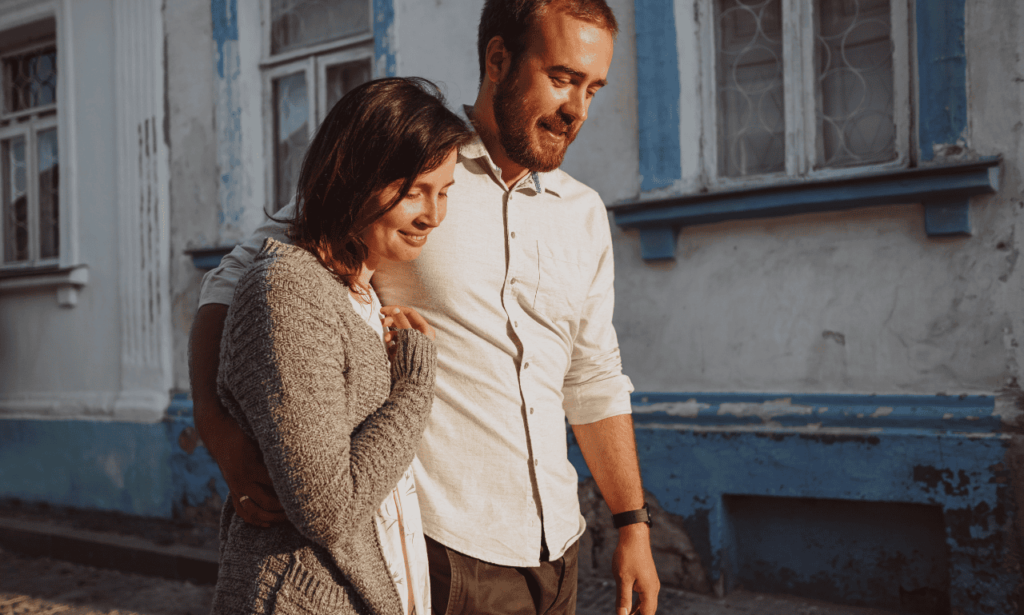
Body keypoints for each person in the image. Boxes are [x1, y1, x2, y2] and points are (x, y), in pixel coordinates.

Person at [190, 1, 661, 614]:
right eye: (562, 78)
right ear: (498, 59)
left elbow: (592, 376)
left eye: (593, 88)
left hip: (557, 547)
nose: (577, 109)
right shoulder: (404, 170)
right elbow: (231, 283)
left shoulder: (584, 214)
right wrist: (218, 430)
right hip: (444, 548)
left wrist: (632, 524)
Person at [207, 77, 473, 615]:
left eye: (444, 192)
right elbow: (330, 510)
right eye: (415, 190)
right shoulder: (288, 291)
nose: (434, 215)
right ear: (356, 177)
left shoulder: (358, 291)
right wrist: (416, 384)